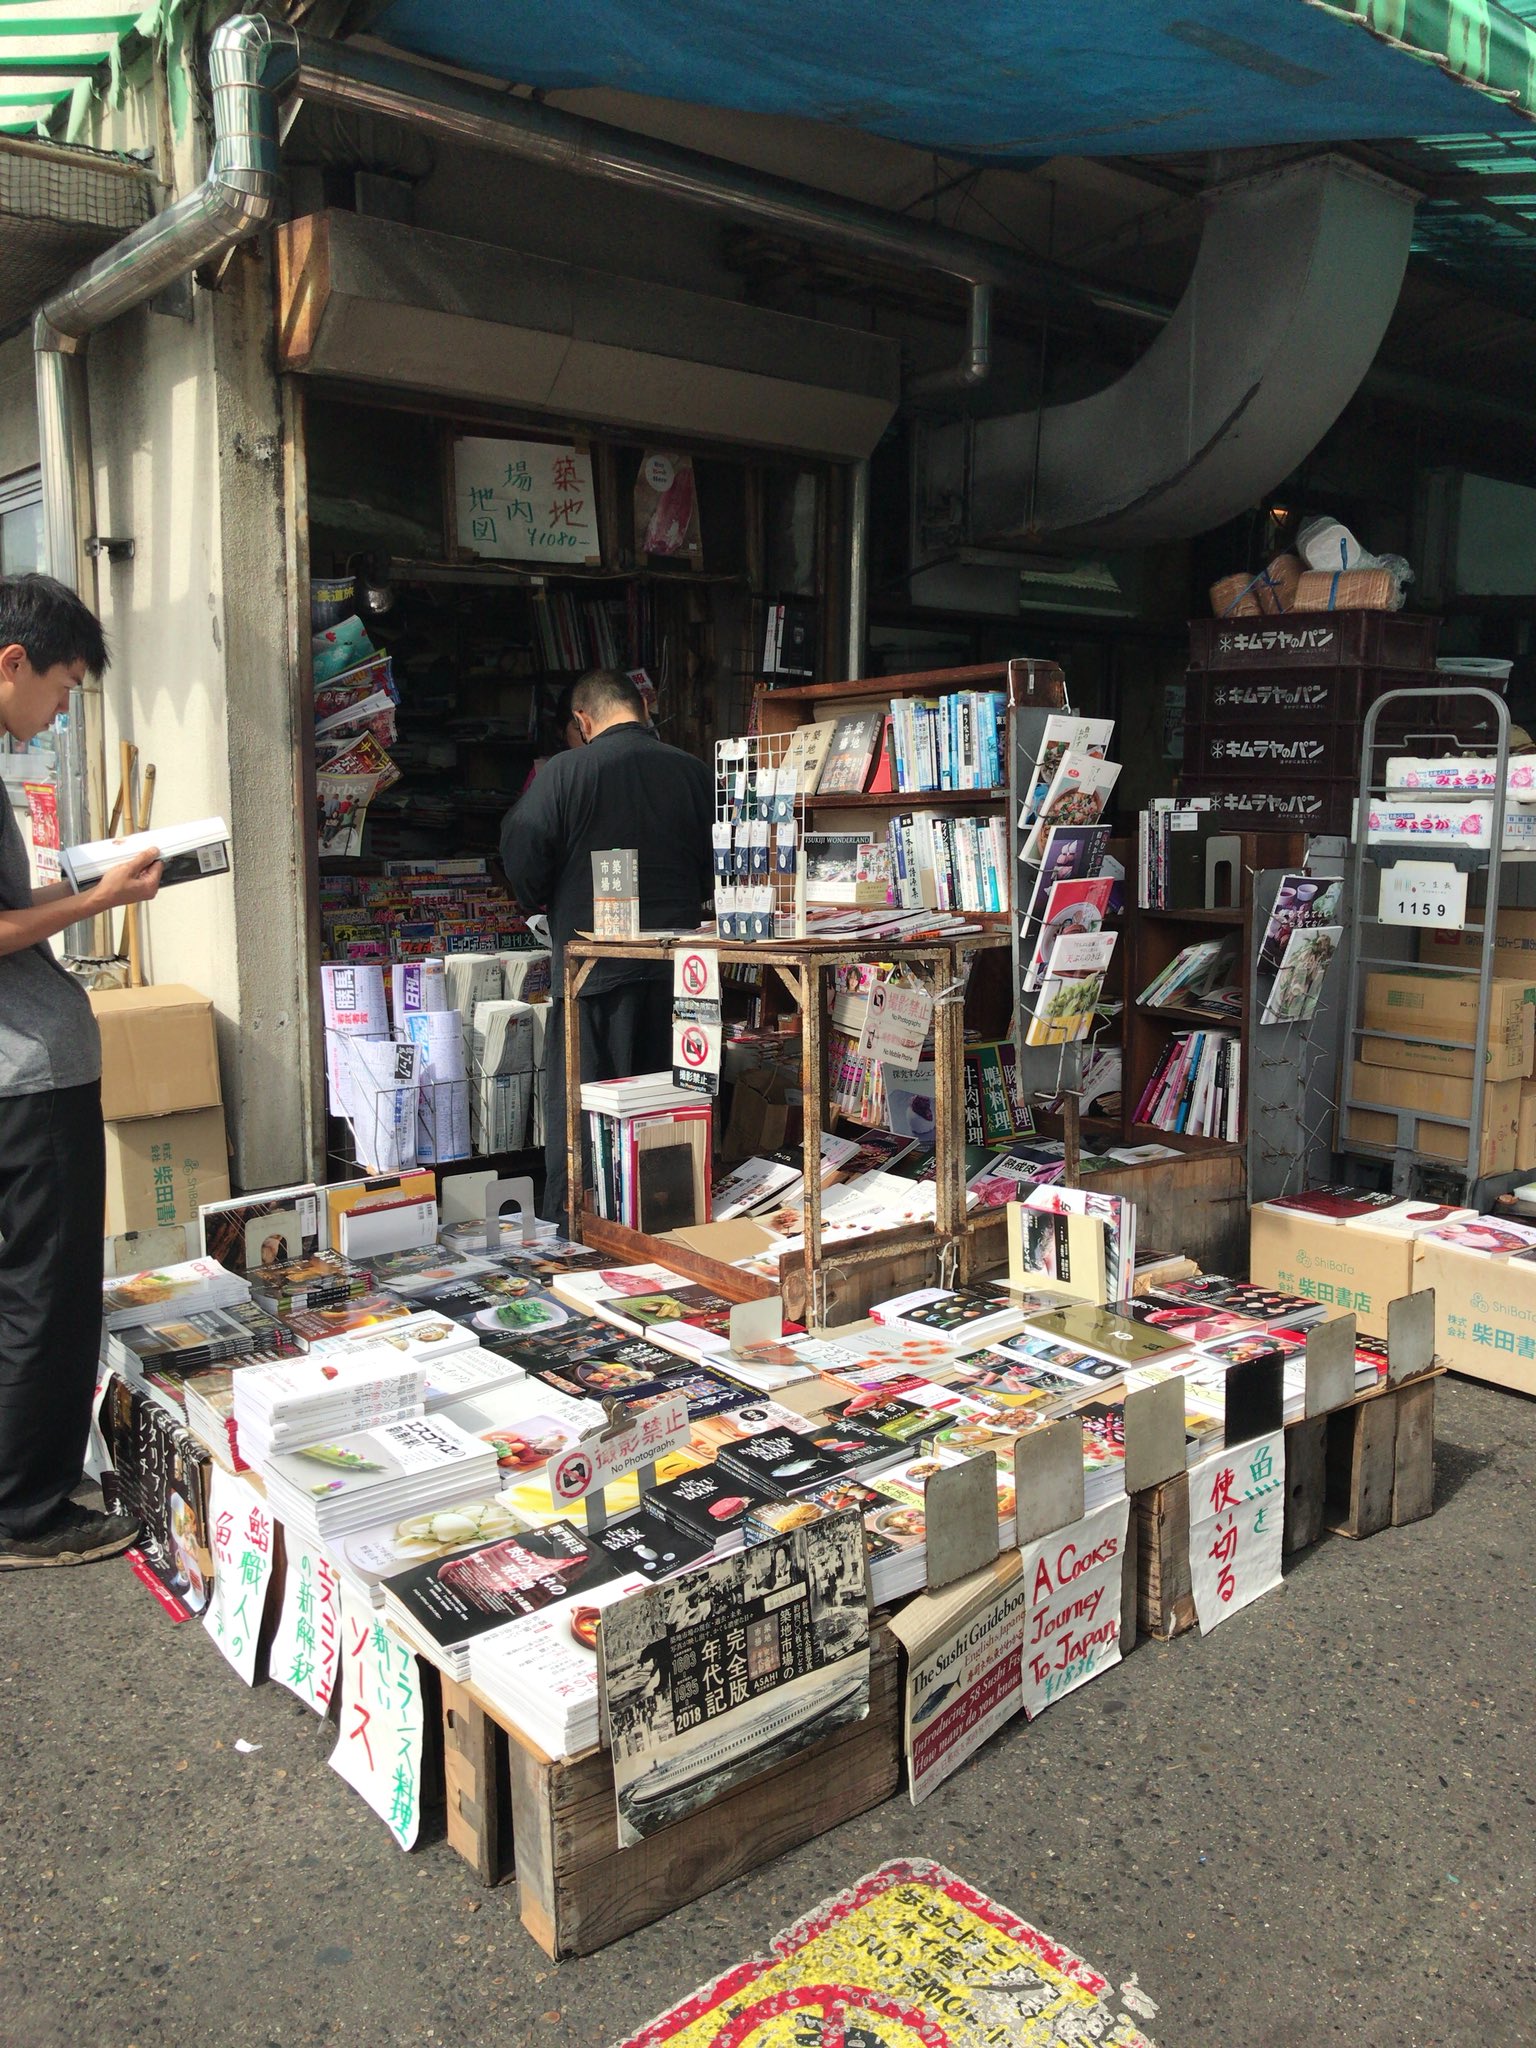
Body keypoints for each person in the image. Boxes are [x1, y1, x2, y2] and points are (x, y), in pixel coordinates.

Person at [0, 574, 164, 1569]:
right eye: (61, 685)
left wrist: (68, 886)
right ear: (11, 662)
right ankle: (29, 1509)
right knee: (47, 1290)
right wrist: (97, 897)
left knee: (29, 1282)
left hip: (26, 1067)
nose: (62, 707)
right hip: (27, 1076)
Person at [499, 667, 712, 1227]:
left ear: (583, 720)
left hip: (593, 974)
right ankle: (665, 1230)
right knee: (668, 1112)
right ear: (642, 708)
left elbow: (522, 843)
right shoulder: (694, 773)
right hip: (681, 977)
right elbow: (722, 866)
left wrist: (544, 898)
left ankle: (579, 1234)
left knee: (584, 1120)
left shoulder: (567, 772)